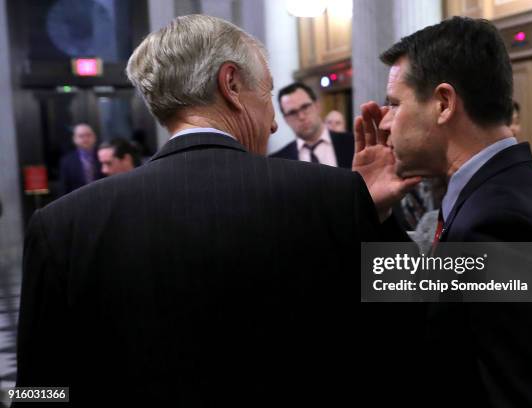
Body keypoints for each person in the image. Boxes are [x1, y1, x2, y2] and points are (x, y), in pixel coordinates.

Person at [15, 14, 415, 406]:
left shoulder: (60, 224)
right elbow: (412, 320)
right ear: (231, 84)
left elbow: (38, 389)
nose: (275, 124)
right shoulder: (332, 194)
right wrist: (376, 219)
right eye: (268, 95)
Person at [357, 16, 532, 407]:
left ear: (443, 103)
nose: (386, 122)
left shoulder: (503, 222)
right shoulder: (517, 189)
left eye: (394, 103)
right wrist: (373, 213)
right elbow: (433, 301)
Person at [270, 82, 354, 168]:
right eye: (292, 112)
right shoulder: (277, 162)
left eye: (305, 107)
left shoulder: (353, 144)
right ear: (285, 119)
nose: (301, 116)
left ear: (317, 106)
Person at [58, 123, 102, 194]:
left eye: (88, 135)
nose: (85, 139)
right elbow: (64, 187)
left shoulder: (103, 155)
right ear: (74, 139)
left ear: (94, 137)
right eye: (81, 136)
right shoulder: (66, 161)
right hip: (78, 200)